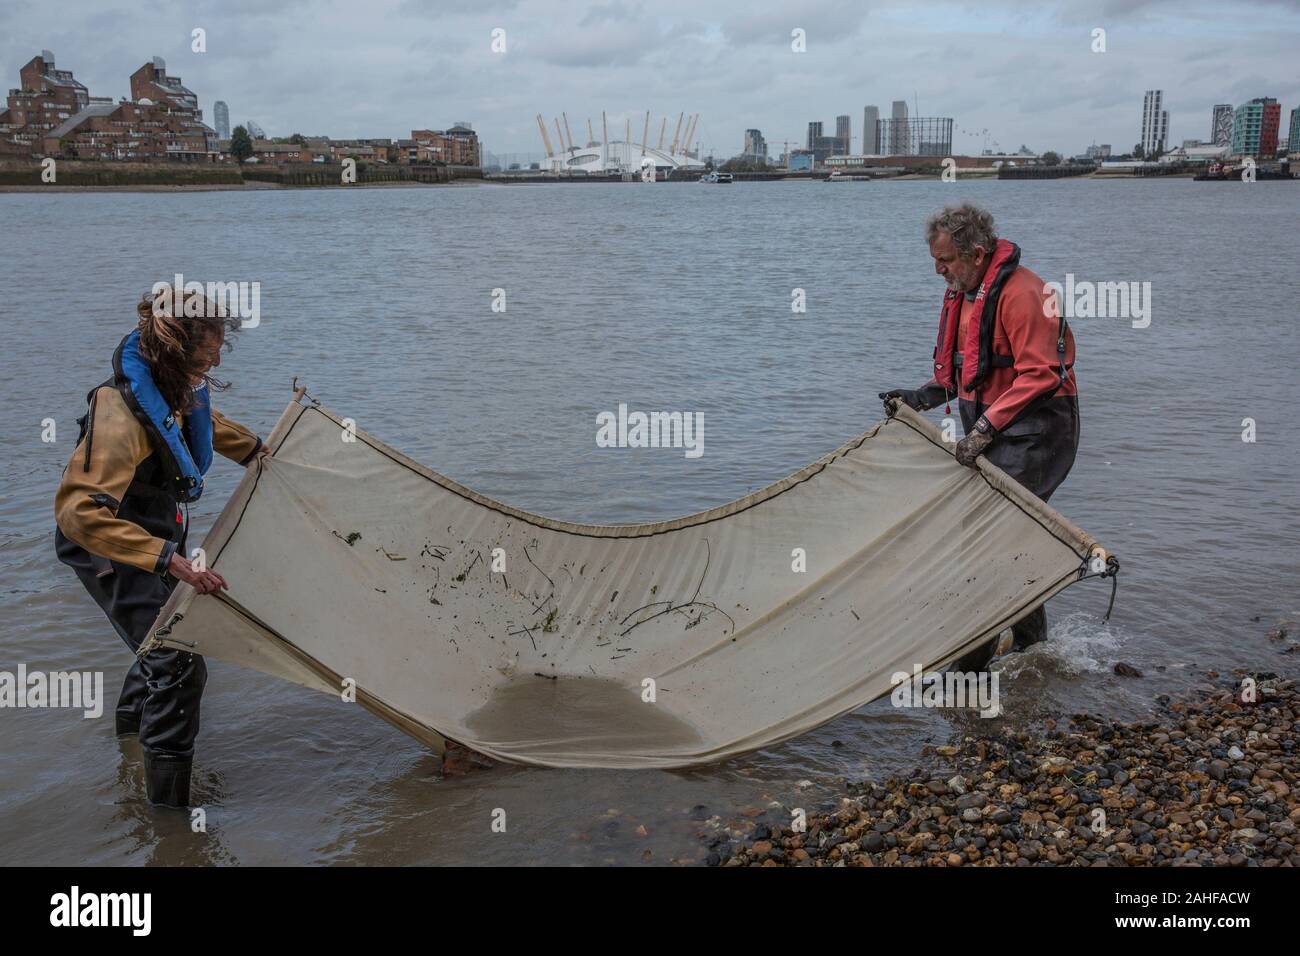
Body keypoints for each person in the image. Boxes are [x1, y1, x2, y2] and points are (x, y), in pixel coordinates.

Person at [54, 289, 266, 807]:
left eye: (219, 348)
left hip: (154, 537)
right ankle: (170, 815)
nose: (216, 360)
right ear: (174, 349)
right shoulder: (118, 414)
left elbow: (200, 426)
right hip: (107, 546)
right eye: (206, 353)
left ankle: (130, 747)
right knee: (177, 660)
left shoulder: (170, 386)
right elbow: (78, 512)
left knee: (160, 640)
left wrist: (263, 453)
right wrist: (167, 559)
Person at [879, 203, 1079, 665]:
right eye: (935, 261)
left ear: (977, 251)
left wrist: (986, 428)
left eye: (946, 261)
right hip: (996, 429)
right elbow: (967, 373)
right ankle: (1037, 652)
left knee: (984, 540)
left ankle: (967, 665)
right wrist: (920, 397)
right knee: (1008, 539)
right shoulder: (964, 293)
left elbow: (1041, 375)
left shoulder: (1026, 293)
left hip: (1041, 432)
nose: (939, 271)